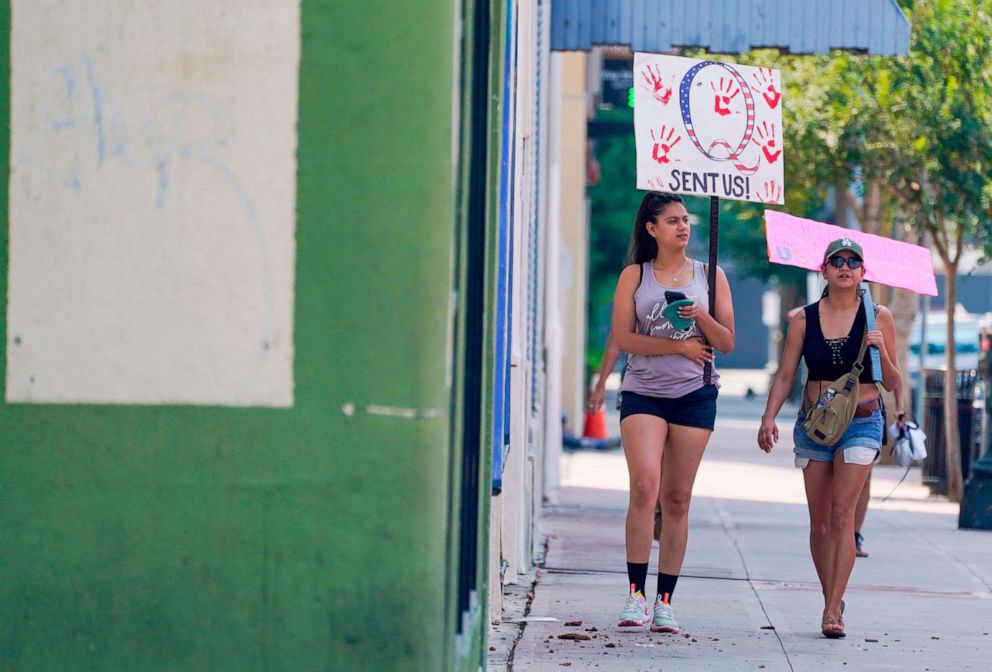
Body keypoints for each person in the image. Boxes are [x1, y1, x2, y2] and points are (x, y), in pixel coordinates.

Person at [758, 238, 900, 639]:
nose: (845, 267)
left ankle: (833, 607)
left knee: (842, 515)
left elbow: (892, 380)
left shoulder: (878, 316)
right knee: (819, 522)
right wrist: (769, 417)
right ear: (824, 270)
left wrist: (882, 350)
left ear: (862, 273)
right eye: (836, 261)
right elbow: (786, 374)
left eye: (853, 262)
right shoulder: (804, 319)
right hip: (814, 424)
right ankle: (831, 598)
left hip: (862, 420)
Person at [611, 191, 735, 633]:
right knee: (645, 484)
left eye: (686, 220)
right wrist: (677, 346)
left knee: (677, 499)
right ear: (652, 228)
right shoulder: (635, 276)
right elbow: (624, 339)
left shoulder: (709, 275)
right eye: (672, 221)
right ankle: (635, 595)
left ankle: (665, 600)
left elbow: (726, 343)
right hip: (643, 390)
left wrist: (699, 314)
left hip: (694, 395)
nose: (683, 227)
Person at [853, 379, 907, 558]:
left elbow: (893, 369)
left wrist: (900, 408)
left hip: (868, 408)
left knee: (864, 479)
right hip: (831, 404)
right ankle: (836, 532)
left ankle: (854, 535)